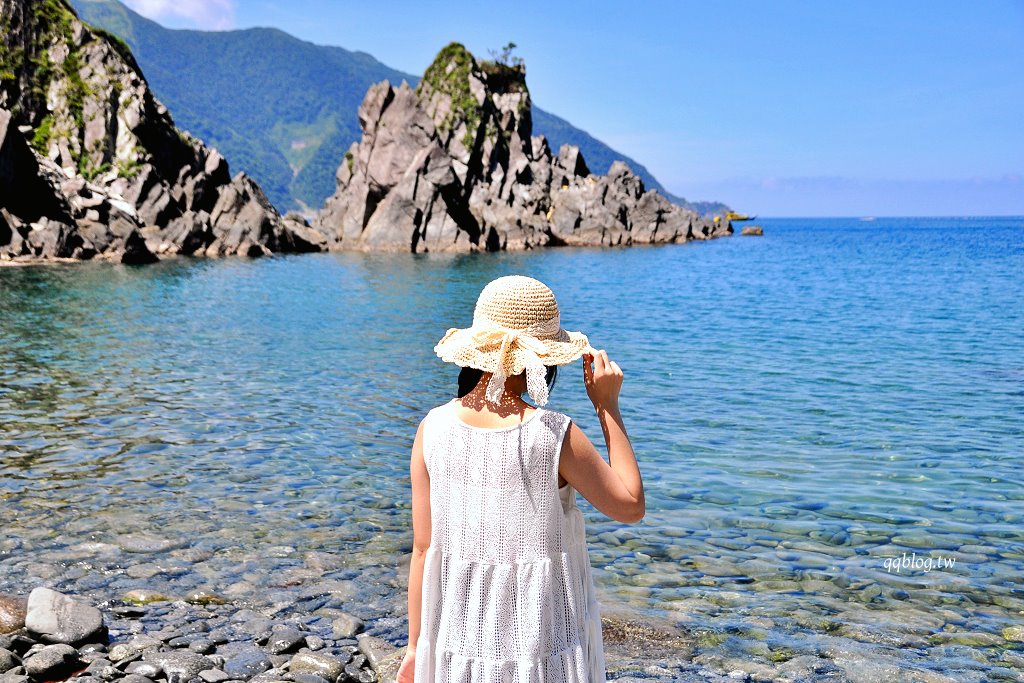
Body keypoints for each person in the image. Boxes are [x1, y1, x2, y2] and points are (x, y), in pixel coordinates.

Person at [397, 274, 645, 683]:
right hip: (541, 644)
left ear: (476, 351)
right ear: (542, 359)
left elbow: (423, 552)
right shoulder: (552, 434)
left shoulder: (432, 429)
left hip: (462, 642)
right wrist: (607, 407)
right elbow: (630, 505)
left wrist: (415, 646)